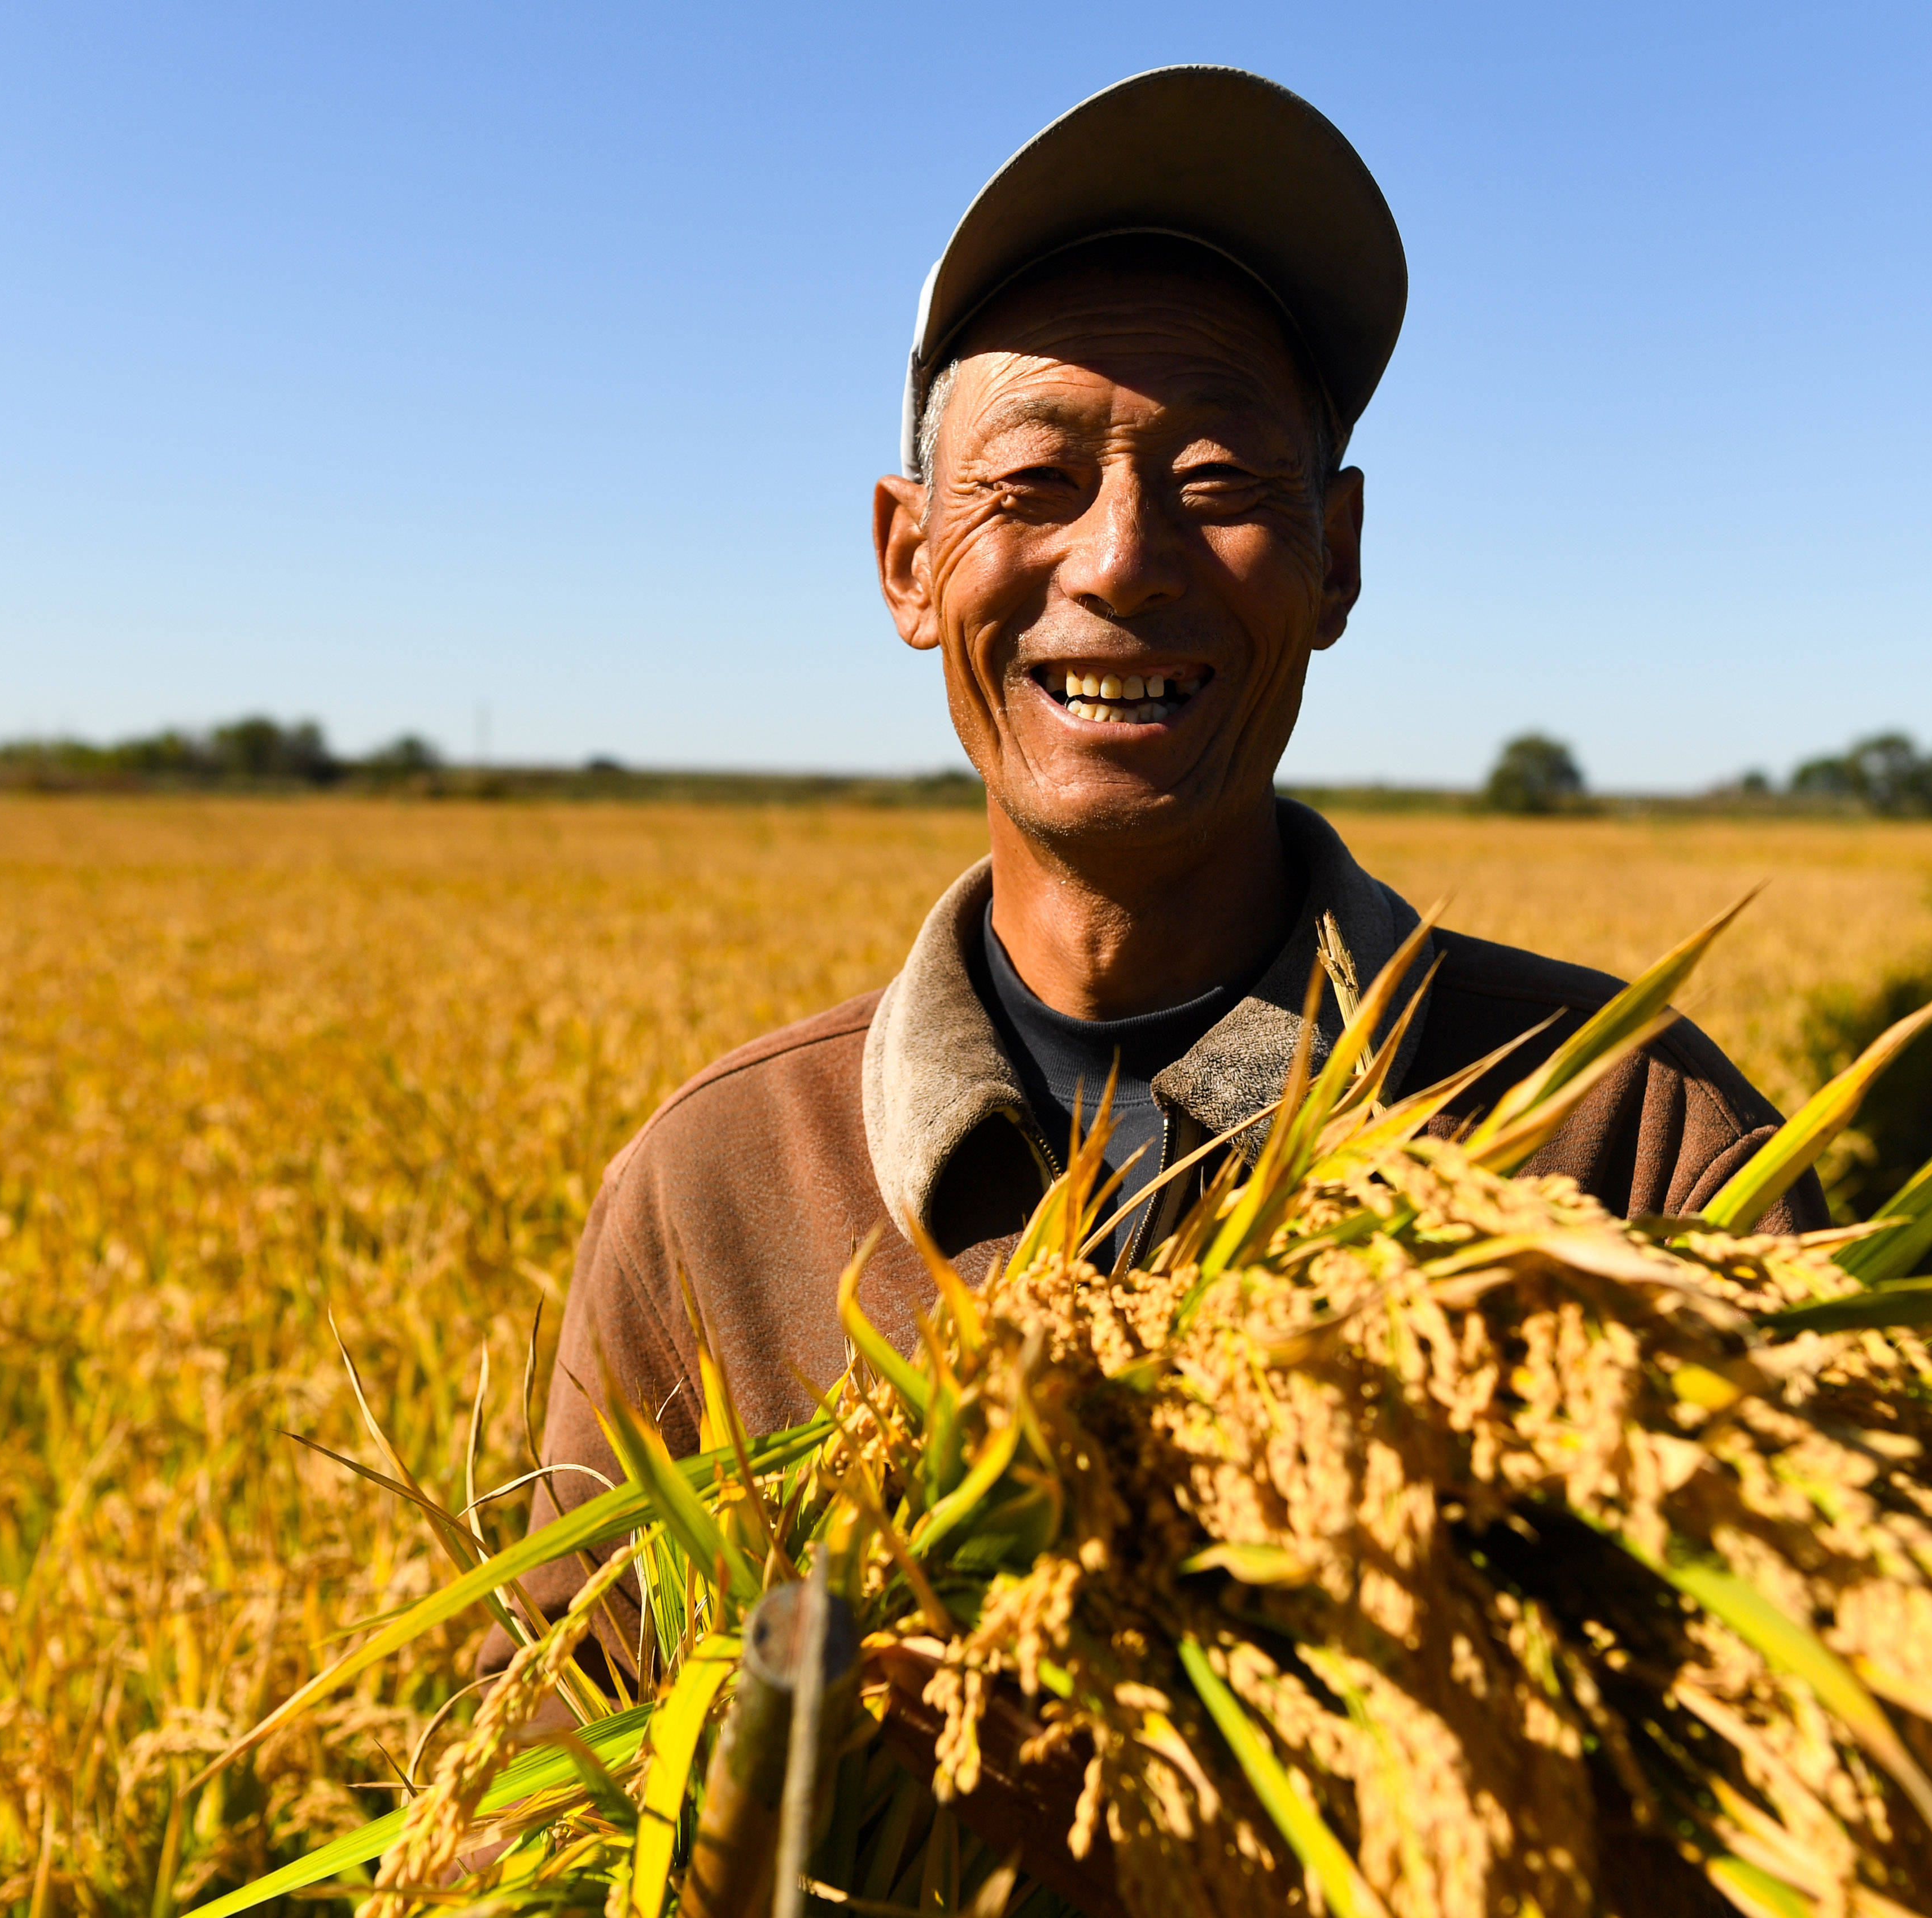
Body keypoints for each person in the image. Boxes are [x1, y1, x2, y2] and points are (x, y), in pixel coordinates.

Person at [491, 64, 1820, 1685]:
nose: (1118, 558)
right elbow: (550, 1777)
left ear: (1333, 556)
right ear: (909, 561)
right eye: (1032, 485)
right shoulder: (718, 1196)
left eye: (1213, 484)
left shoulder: (1621, 1135)